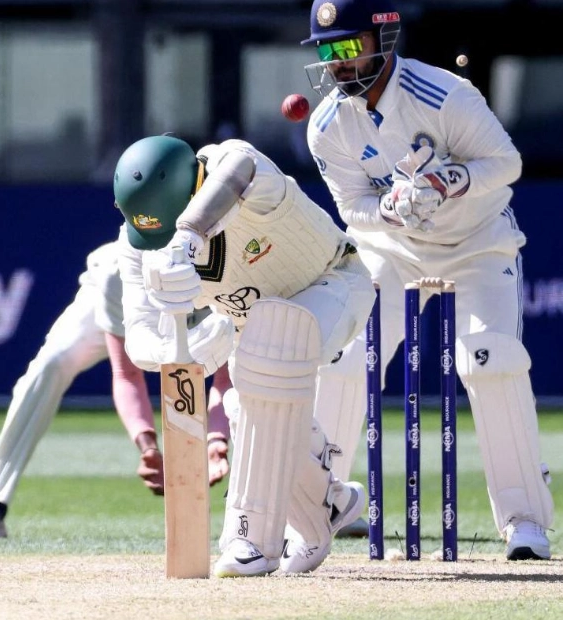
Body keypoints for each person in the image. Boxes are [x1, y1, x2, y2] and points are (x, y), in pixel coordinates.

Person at [300, 0, 554, 560]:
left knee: (488, 360)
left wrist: (447, 182)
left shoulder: (444, 94)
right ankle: (321, 505)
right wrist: (390, 211)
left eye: (347, 47)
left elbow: (505, 163)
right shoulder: (327, 126)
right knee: (346, 357)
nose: (337, 63)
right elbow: (353, 209)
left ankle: (525, 523)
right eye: (327, 50)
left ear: (382, 38)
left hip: (477, 243)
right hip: (393, 250)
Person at [112, 134, 376, 576]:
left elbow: (239, 167)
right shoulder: (138, 240)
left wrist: (188, 233)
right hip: (254, 327)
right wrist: (179, 343)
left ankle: (250, 539)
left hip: (336, 283)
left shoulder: (232, 166)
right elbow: (138, 340)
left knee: (263, 354)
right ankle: (328, 502)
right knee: (241, 402)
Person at [0, 242, 231, 539]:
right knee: (51, 365)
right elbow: (127, 374)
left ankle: (249, 519)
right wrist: (148, 446)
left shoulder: (227, 267)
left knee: (252, 376)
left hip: (200, 302)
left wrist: (216, 440)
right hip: (123, 300)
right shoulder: (119, 274)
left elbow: (226, 379)